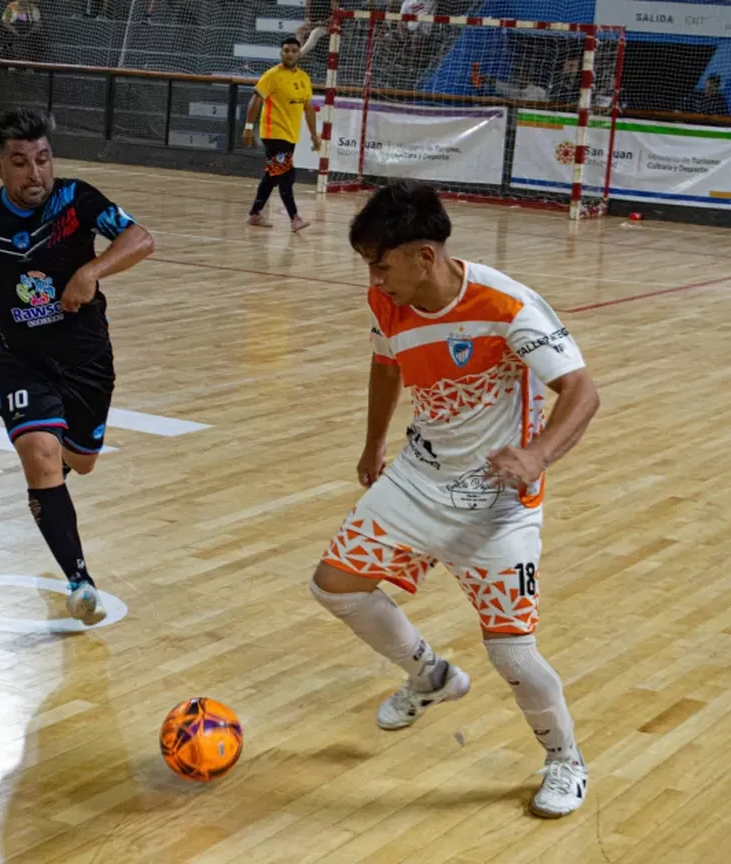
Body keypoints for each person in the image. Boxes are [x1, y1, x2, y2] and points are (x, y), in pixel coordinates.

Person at [310, 181, 600, 818]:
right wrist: (373, 443)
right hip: (419, 476)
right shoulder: (389, 301)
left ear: (424, 256)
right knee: (335, 584)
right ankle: (430, 676)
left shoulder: (508, 306)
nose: (373, 277)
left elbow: (581, 392)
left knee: (513, 653)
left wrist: (537, 456)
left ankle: (564, 759)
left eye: (380, 263)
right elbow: (387, 365)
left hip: (496, 498)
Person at [0, 108, 155, 623]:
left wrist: (91, 270)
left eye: (42, 159)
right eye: (20, 162)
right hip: (20, 359)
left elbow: (140, 238)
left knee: (80, 461)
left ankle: (54, 492)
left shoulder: (76, 200)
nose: (35, 173)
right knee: (39, 454)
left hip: (86, 359)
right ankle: (80, 581)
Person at [242, 36, 321, 232]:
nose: (290, 54)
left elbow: (308, 108)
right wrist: (248, 127)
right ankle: (295, 218)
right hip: (274, 134)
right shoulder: (272, 75)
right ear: (281, 53)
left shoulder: (304, 78)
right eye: (286, 50)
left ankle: (254, 213)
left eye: (293, 51)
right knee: (285, 175)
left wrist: (314, 134)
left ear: (298, 54)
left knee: (273, 175)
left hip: (291, 135)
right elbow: (256, 100)